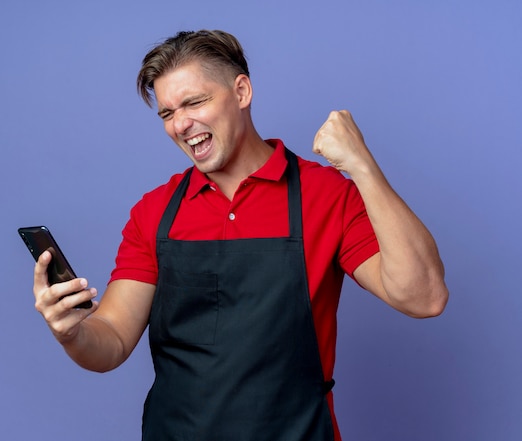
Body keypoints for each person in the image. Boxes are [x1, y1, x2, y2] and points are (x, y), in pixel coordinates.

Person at [32, 29, 448, 441]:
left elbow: (423, 296)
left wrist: (363, 167)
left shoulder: (325, 194)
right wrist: (73, 332)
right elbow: (112, 343)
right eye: (167, 113)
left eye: (194, 102)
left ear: (242, 91)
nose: (181, 124)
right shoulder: (154, 212)